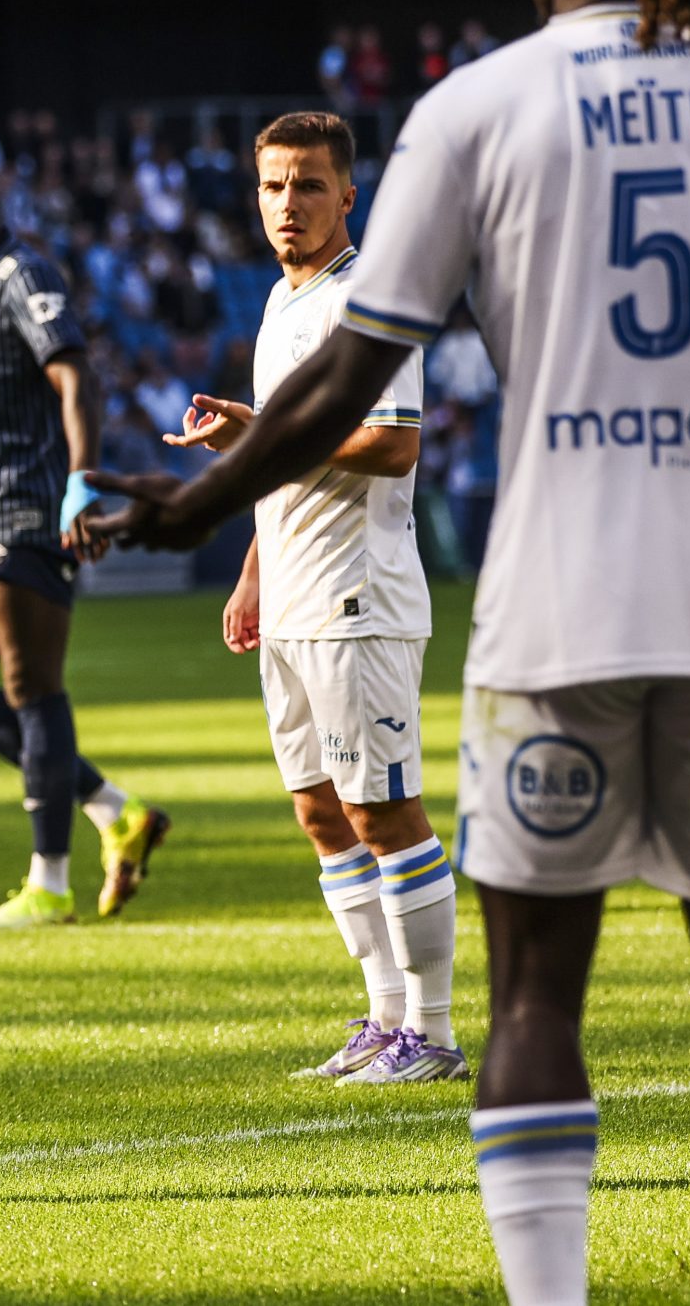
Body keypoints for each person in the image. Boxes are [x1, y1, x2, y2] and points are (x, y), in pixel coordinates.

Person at [93, 0, 690, 1306]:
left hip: (557, 601)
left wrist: (196, 506)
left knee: (533, 998)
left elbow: (351, 383)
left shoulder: (474, 109)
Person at [163, 111, 459, 1085]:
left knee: (385, 812)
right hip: (292, 596)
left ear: (347, 195)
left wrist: (266, 439)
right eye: (271, 187)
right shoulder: (283, 304)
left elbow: (394, 442)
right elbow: (280, 460)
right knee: (320, 814)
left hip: (355, 598)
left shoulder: (370, 298)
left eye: (306, 186)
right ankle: (382, 1020)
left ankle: (435, 1031)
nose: (286, 205)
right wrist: (254, 570)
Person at [0, 151, 169, 930]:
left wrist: (82, 479)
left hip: (30, 508)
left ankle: (49, 881)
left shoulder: (24, 274)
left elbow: (77, 375)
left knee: (32, 690)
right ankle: (114, 808)